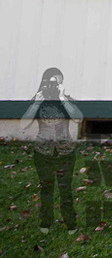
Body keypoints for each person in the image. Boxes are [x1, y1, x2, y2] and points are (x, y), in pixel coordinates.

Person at [21, 67, 83, 232]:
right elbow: (23, 125)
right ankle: (45, 222)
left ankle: (70, 223)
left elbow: (78, 118)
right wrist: (36, 103)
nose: (52, 86)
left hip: (65, 151)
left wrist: (62, 98)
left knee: (65, 188)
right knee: (46, 188)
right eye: (49, 82)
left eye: (56, 83)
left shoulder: (67, 100)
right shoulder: (38, 100)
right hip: (43, 151)